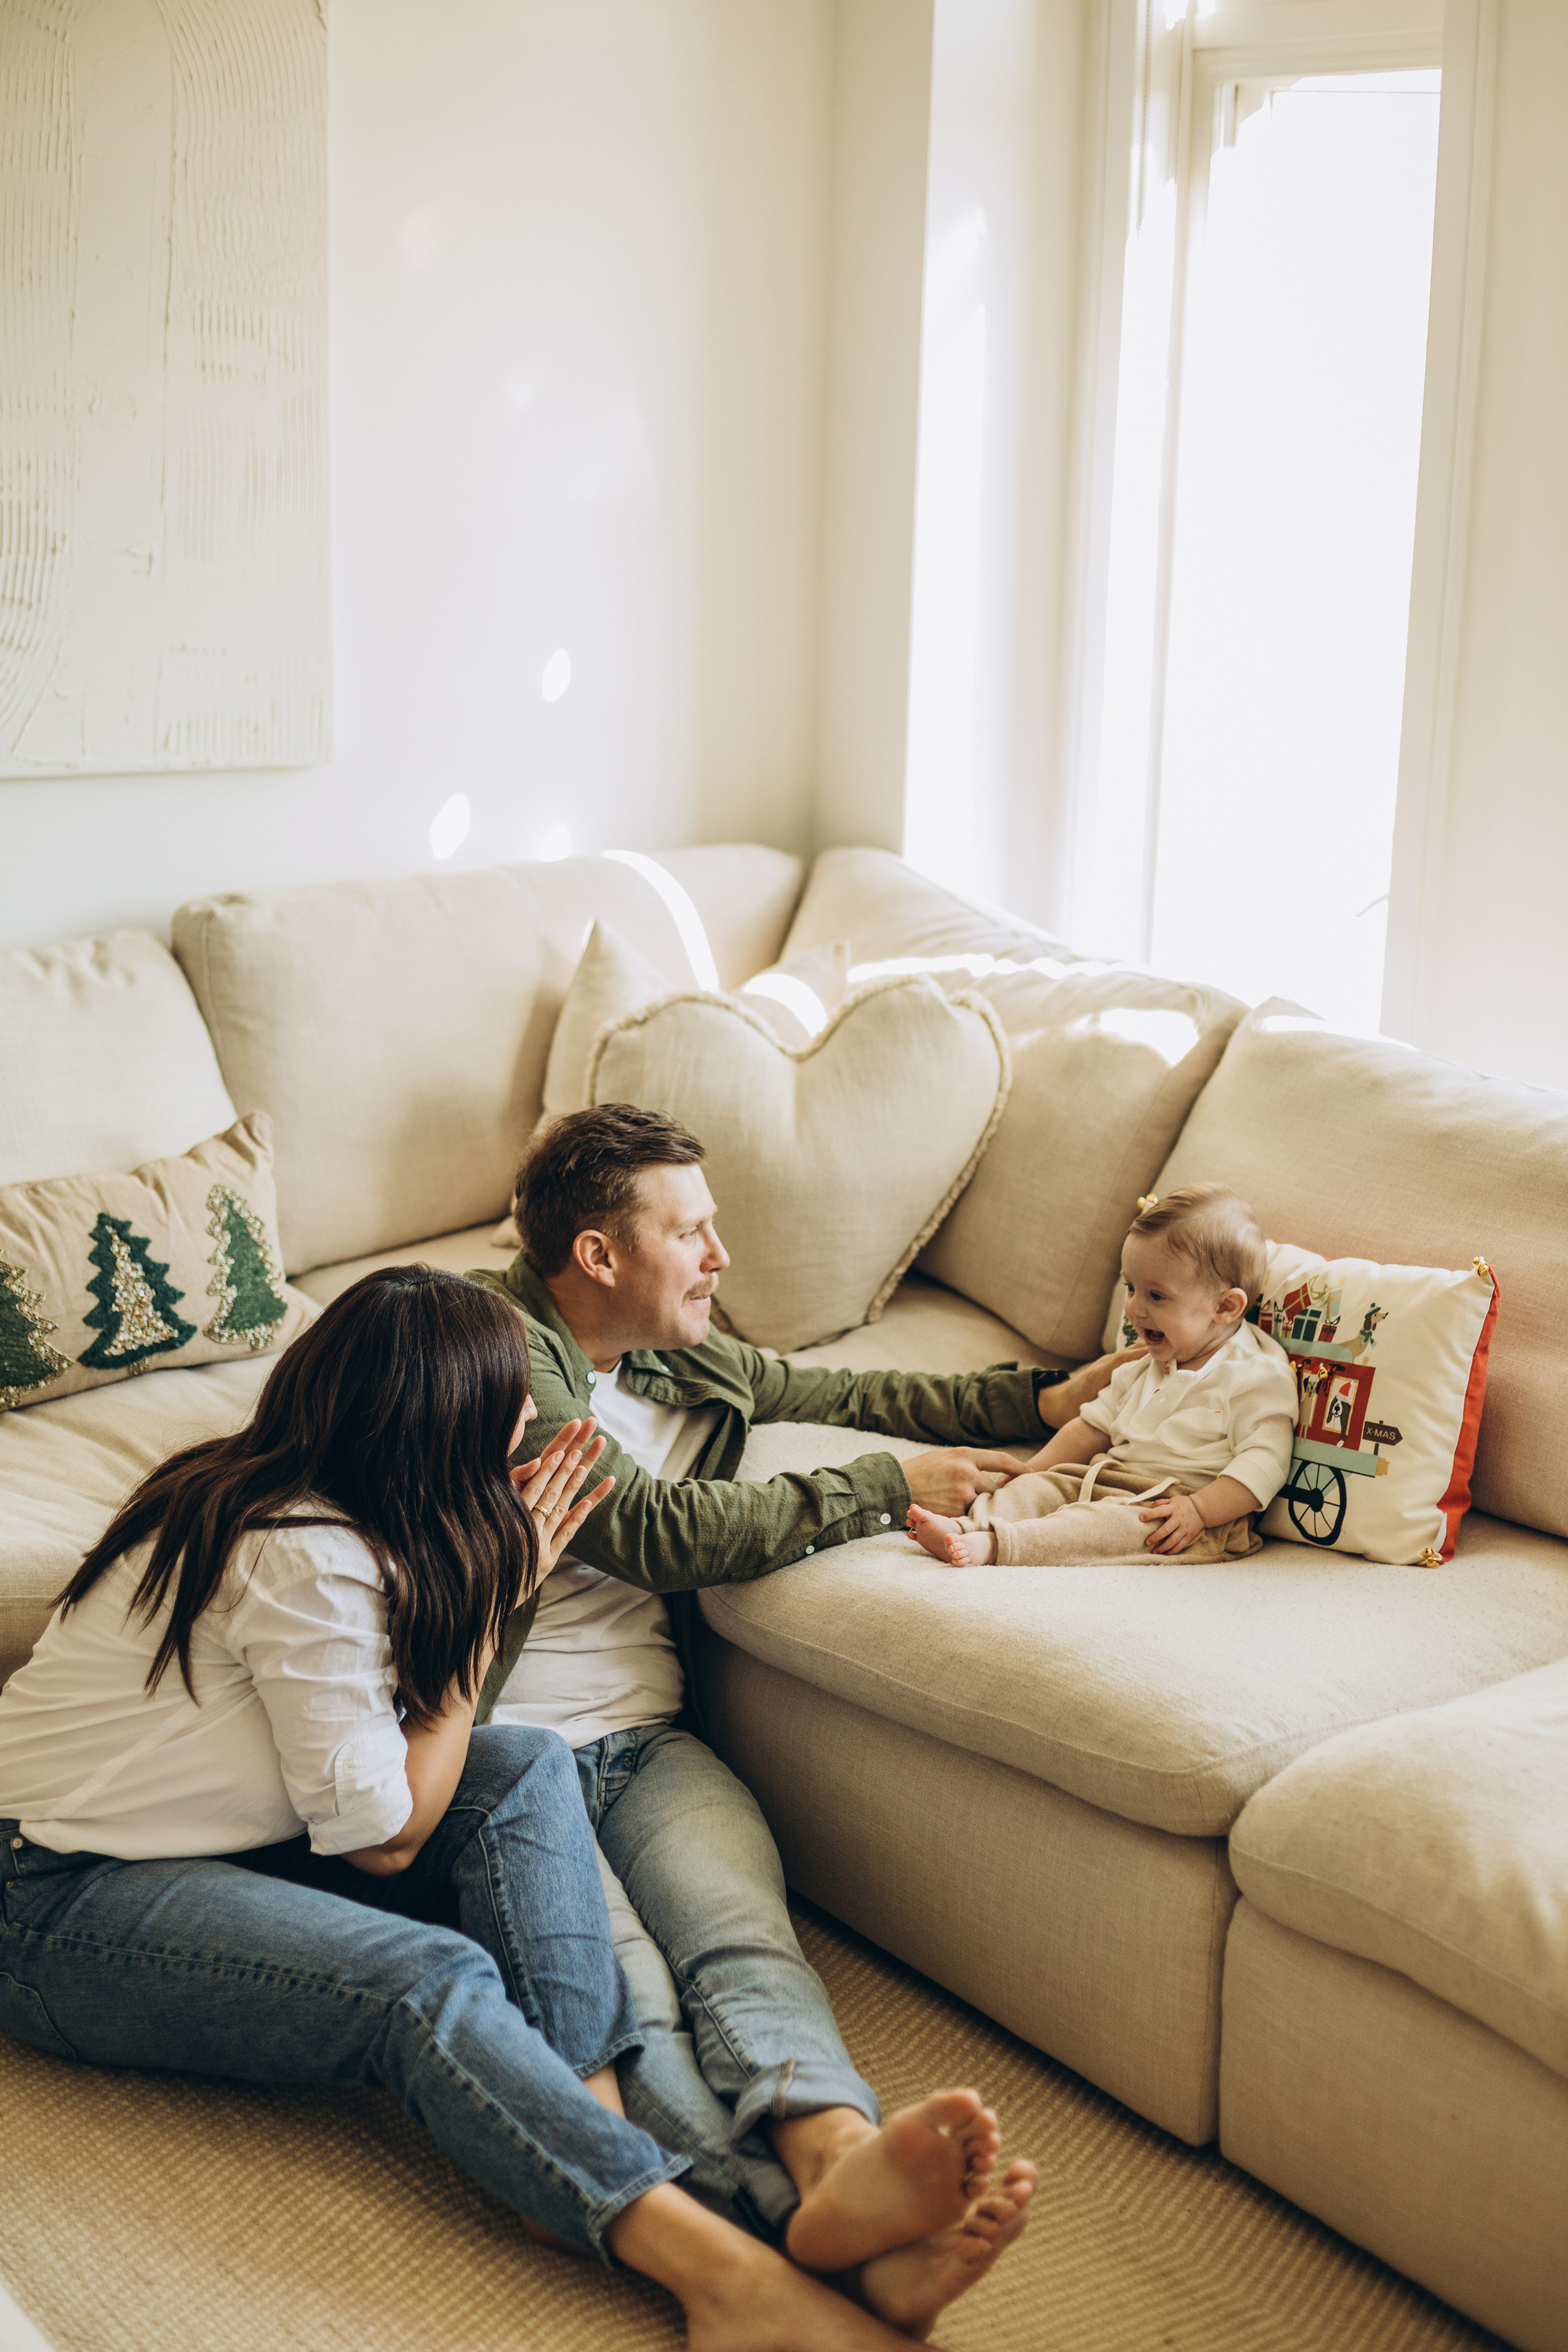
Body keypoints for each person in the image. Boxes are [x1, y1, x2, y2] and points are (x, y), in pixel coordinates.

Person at [0, 1267, 1003, 2351]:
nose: (531, 1416)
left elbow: (404, 1780)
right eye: (507, 1403)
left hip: (238, 1844)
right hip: (56, 1896)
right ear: (433, 1426)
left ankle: (587, 2157)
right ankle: (728, 2266)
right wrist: (489, 1611)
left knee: (522, 1762)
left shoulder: (334, 1506)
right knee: (425, 1984)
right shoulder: (305, 1554)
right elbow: (387, 1842)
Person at [462, 1104, 1125, 2321]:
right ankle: (795, 2233)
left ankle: (834, 2159)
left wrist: (1035, 1404)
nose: (719, 1256)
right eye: (692, 1232)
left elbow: (831, 1387)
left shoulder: (671, 1348)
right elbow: (652, 1534)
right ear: (598, 1256)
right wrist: (877, 1490)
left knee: (737, 1939)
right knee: (626, 2003)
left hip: (646, 1738)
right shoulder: (489, 1348)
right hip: (503, 1763)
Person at [907, 1185, 1298, 1568]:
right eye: (1131, 1288)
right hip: (1101, 1477)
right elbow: (1091, 1428)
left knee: (1095, 1528)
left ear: (1226, 1306)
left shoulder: (1257, 1377)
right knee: (1039, 1488)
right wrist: (1033, 1470)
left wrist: (1200, 1509)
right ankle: (962, 1527)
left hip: (1181, 1513)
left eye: (1156, 1296)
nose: (1134, 1309)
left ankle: (994, 1547)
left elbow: (1264, 1463)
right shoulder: (1146, 1363)